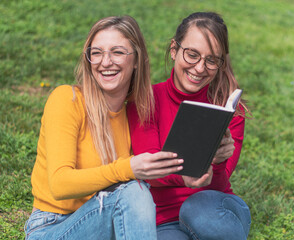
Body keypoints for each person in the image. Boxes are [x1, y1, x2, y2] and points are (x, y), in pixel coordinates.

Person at [24, 16, 183, 240]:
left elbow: (152, 170)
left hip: (105, 222)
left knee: (135, 192)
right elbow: (59, 184)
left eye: (117, 52)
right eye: (96, 52)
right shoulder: (67, 100)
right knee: (133, 192)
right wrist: (127, 168)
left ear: (137, 60)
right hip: (52, 227)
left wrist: (212, 158)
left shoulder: (134, 114)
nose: (105, 62)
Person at [127, 12, 252, 240]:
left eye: (211, 60)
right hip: (164, 220)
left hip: (215, 209)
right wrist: (184, 178)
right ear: (174, 49)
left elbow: (219, 184)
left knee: (198, 210)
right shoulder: (146, 100)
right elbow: (149, 171)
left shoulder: (230, 111)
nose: (200, 68)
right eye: (192, 54)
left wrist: (218, 161)